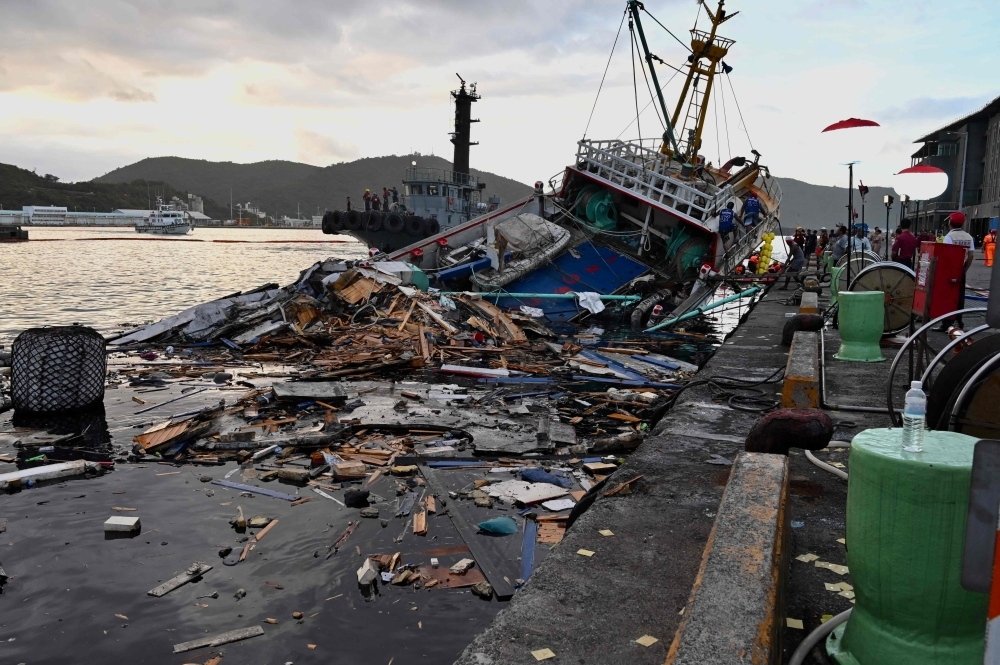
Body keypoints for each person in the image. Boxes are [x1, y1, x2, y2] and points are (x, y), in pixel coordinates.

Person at [940, 212, 976, 329]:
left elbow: (946, 255)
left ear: (950, 223)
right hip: (961, 270)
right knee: (960, 296)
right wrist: (965, 269)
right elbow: (970, 256)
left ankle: (947, 323)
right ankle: (959, 322)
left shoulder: (949, 237)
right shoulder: (968, 237)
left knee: (947, 297)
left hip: (949, 271)